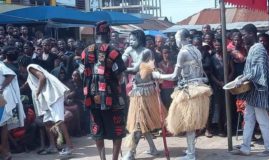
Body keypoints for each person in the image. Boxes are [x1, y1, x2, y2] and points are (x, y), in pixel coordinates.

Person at [153, 29, 212, 160]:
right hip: (198, 88)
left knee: (189, 122)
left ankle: (191, 154)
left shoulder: (183, 52)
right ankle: (191, 149)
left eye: (176, 38)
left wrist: (159, 75)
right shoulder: (196, 50)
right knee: (190, 121)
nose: (176, 41)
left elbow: (175, 76)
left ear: (182, 38)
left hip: (189, 90)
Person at [81, 21, 126, 160]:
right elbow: (119, 75)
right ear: (108, 34)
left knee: (97, 128)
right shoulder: (113, 51)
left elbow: (84, 72)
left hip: (92, 96)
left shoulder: (86, 51)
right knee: (117, 129)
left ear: (96, 34)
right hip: (111, 96)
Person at [231, 24, 269, 157]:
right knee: (248, 117)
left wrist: (242, 78)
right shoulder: (253, 49)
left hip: (259, 90)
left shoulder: (258, 49)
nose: (242, 38)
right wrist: (241, 77)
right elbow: (251, 70)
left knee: (262, 119)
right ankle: (245, 147)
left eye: (244, 35)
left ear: (251, 33)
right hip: (253, 90)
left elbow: (257, 71)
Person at [18, 56, 73, 157]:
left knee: (59, 121)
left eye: (19, 66)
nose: (19, 69)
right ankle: (52, 146)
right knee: (47, 122)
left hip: (53, 96)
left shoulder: (30, 67)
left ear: (22, 65)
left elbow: (42, 77)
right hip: (47, 99)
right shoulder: (30, 73)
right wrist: (18, 91)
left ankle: (69, 146)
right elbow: (26, 84)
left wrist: (38, 92)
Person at [123, 49, 166, 160]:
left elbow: (136, 71)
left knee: (138, 125)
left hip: (143, 98)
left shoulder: (146, 66)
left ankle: (131, 153)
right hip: (141, 96)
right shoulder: (145, 65)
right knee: (143, 124)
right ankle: (153, 149)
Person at [0, 61, 25, 160]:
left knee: (4, 125)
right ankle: (6, 152)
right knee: (3, 125)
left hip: (2, 98)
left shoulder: (0, 65)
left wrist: (1, 87)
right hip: (3, 99)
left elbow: (10, 75)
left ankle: (5, 153)